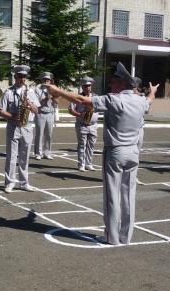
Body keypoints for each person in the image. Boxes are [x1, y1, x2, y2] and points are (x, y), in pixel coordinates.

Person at [43, 62, 158, 245]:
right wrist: (153, 90)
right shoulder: (141, 100)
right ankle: (125, 236)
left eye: (113, 82)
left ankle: (111, 237)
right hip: (134, 153)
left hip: (115, 152)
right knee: (129, 196)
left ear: (122, 84)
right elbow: (150, 99)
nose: (110, 85)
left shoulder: (114, 99)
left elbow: (81, 100)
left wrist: (58, 90)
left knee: (112, 195)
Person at [0, 65, 40, 193]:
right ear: (15, 77)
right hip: (13, 126)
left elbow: (36, 111)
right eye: (20, 76)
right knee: (11, 156)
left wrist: (30, 103)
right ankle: (9, 183)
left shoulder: (31, 93)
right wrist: (12, 116)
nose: (22, 79)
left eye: (24, 77)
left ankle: (24, 183)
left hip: (27, 127)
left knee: (25, 156)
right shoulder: (8, 92)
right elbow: (0, 112)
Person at [68, 76, 99, 172]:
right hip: (82, 125)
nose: (88, 88)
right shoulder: (77, 97)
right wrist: (80, 114)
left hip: (93, 125)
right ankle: (81, 164)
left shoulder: (95, 97)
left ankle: (89, 163)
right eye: (85, 86)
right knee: (82, 145)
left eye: (89, 86)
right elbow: (71, 110)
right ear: (82, 87)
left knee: (91, 145)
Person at [33, 72, 59, 160]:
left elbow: (57, 102)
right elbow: (36, 103)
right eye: (44, 80)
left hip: (50, 113)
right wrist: (45, 99)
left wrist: (53, 96)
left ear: (50, 81)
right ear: (42, 81)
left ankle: (47, 152)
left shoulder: (53, 90)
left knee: (49, 134)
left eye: (48, 80)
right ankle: (38, 153)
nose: (46, 82)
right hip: (40, 113)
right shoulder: (37, 90)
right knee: (39, 134)